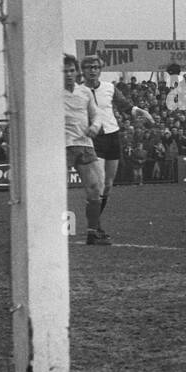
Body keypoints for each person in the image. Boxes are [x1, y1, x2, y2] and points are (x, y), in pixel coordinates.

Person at [79, 55, 154, 218]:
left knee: (108, 185)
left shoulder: (109, 88)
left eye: (95, 67)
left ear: (100, 70)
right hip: (93, 139)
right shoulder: (78, 91)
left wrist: (139, 111)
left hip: (112, 136)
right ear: (83, 70)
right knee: (97, 184)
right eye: (88, 67)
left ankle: (96, 220)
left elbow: (125, 106)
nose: (92, 71)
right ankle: (94, 225)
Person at [64, 54, 108, 245]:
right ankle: (51, 232)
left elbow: (96, 114)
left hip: (84, 144)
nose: (68, 74)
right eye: (64, 71)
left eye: (71, 70)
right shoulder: (51, 94)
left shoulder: (85, 92)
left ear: (77, 72)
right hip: (62, 146)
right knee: (54, 191)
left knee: (95, 187)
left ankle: (92, 232)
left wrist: (95, 127)